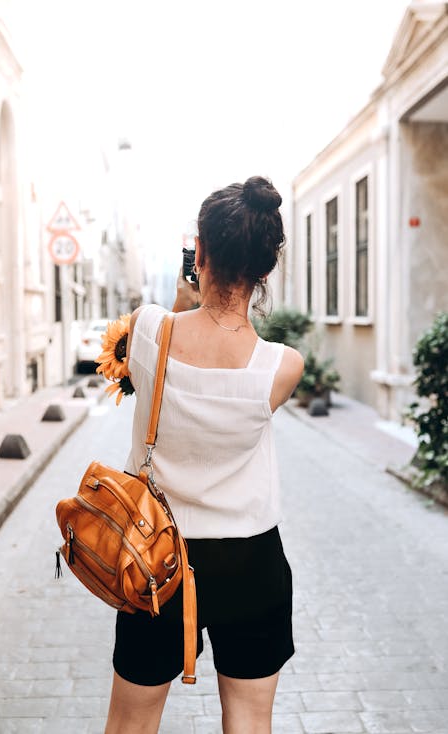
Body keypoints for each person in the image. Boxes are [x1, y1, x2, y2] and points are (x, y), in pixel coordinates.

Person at [104, 176, 304, 734]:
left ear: (201, 253)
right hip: (252, 560)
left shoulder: (147, 329)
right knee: (248, 720)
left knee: (130, 723)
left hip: (154, 555)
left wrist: (188, 292)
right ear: (267, 267)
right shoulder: (282, 366)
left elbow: (150, 356)